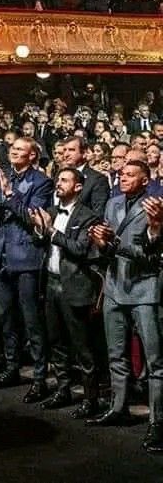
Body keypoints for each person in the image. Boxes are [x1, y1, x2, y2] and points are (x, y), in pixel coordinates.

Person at [86, 159, 163, 452]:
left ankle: (158, 422)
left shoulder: (155, 206)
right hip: (115, 286)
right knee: (115, 354)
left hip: (145, 289)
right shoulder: (113, 203)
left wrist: (115, 243)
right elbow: (107, 249)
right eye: (121, 174)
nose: (123, 178)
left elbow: (152, 257)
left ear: (145, 180)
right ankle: (119, 407)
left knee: (155, 362)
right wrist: (102, 243)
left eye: (130, 175)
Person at [28, 167, 104, 416]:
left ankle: (90, 399)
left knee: (81, 346)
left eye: (64, 180)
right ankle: (63, 389)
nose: (58, 184)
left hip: (75, 285)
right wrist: (39, 229)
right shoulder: (50, 211)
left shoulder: (88, 216)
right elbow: (40, 242)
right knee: (56, 341)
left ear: (79, 186)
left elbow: (80, 249)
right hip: (50, 283)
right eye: (57, 179)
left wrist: (50, 231)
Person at [0, 137, 53, 401]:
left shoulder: (41, 182)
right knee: (6, 316)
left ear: (33, 155)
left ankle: (39, 377)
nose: (13, 151)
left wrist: (9, 194)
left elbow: (32, 218)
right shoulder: (4, 176)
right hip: (0, 255)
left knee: (31, 319)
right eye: (12, 149)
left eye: (20, 149)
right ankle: (11, 367)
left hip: (25, 256)